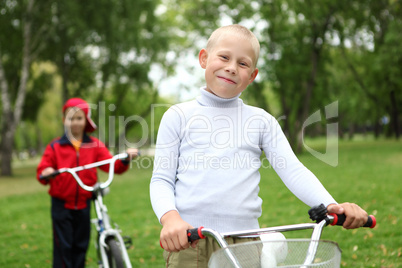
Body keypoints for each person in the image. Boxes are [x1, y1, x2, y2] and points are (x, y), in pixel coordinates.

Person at [150, 24, 369, 267]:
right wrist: (170, 220)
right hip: (192, 242)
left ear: (252, 75)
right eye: (224, 57)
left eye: (243, 64)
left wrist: (331, 205)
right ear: (204, 58)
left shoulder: (261, 121)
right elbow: (162, 179)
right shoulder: (178, 115)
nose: (231, 68)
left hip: (246, 244)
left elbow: (293, 170)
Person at [37, 97, 139, 268]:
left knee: (80, 246)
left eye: (79, 118)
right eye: (71, 118)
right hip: (62, 205)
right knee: (64, 248)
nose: (75, 122)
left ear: (86, 121)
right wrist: (47, 172)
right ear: (64, 120)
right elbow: (43, 170)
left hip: (84, 204)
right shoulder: (55, 147)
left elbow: (111, 164)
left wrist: (125, 159)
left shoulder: (94, 145)